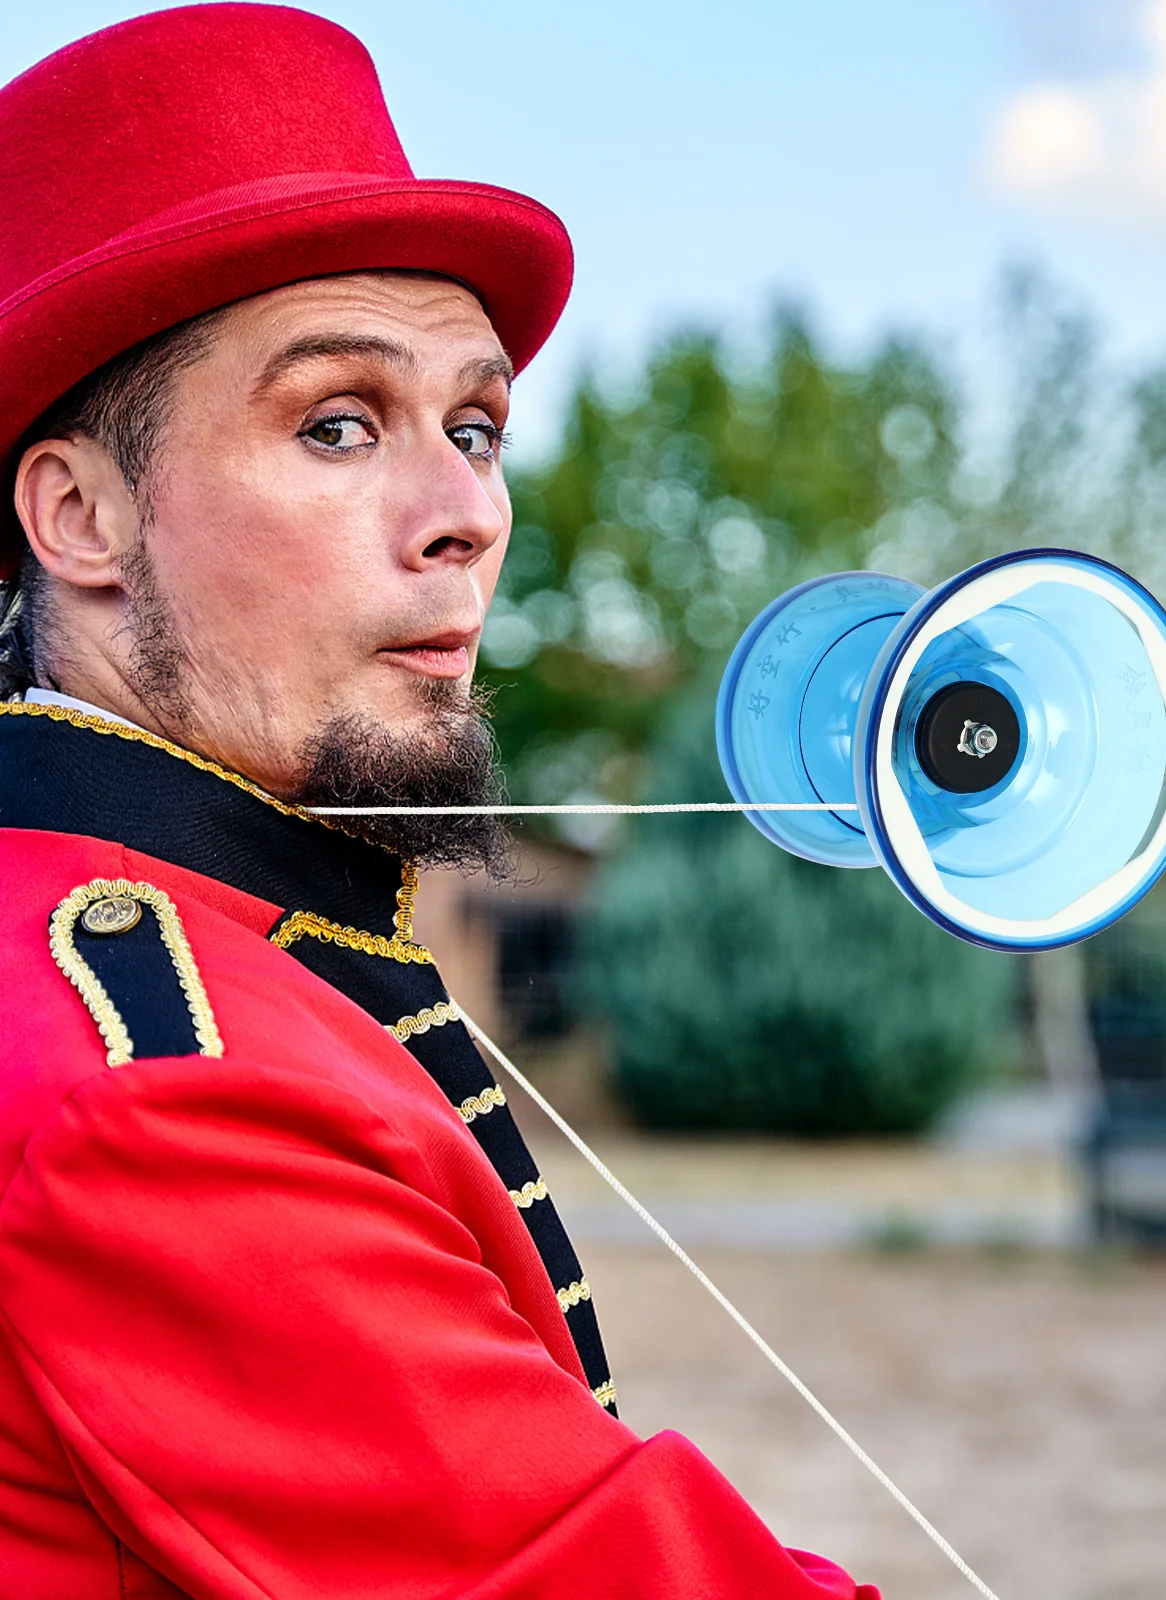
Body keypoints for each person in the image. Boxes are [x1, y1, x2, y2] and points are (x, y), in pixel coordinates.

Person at [0, 7, 877, 1596]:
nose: (469, 511)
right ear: (81, 512)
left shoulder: (215, 953)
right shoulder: (155, 1085)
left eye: (475, 428)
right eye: (338, 423)